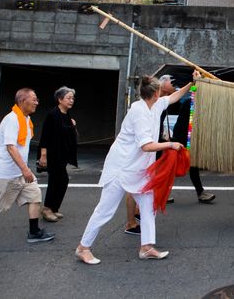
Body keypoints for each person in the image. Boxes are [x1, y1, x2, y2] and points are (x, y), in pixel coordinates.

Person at [75, 73, 196, 265]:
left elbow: (173, 97)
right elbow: (146, 145)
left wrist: (192, 83)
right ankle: (83, 248)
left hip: (139, 169)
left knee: (148, 206)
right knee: (105, 210)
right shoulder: (138, 112)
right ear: (156, 93)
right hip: (121, 167)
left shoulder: (155, 104)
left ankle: (146, 247)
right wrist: (170, 145)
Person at [0, 88, 54, 250]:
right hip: (4, 173)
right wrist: (25, 169)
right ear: (22, 101)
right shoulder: (12, 119)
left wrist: (24, 170)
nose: (37, 102)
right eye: (33, 99)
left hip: (20, 172)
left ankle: (34, 232)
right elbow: (11, 147)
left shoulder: (26, 120)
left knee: (35, 195)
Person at [158, 74, 216, 204]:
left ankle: (200, 192)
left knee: (192, 165)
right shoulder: (188, 102)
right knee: (170, 166)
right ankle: (161, 192)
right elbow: (193, 94)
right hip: (179, 138)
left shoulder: (199, 103)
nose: (172, 88)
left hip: (188, 138)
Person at [37, 86, 78, 222]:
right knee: (55, 180)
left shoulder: (67, 115)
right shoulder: (53, 114)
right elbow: (45, 136)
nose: (71, 100)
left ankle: (54, 208)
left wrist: (72, 125)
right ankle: (47, 208)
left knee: (62, 180)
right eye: (68, 98)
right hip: (53, 154)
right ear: (60, 99)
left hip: (63, 154)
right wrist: (43, 155)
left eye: (72, 98)